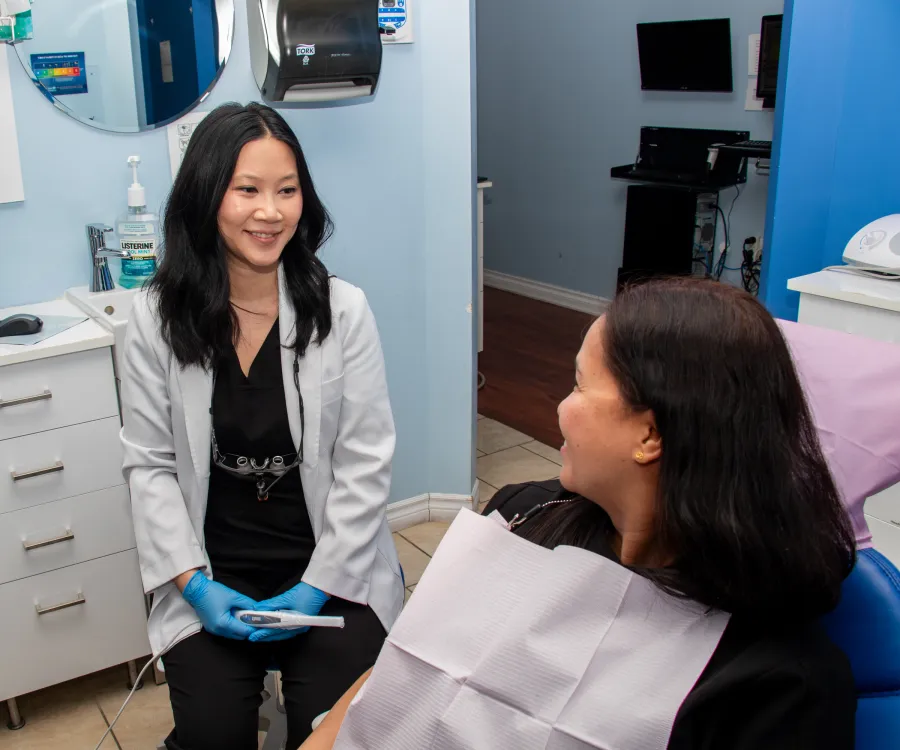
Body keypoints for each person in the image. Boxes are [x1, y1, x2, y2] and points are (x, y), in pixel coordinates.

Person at [299, 278, 857, 750]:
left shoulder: (780, 685)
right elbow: (398, 673)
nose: (560, 407)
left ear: (650, 434)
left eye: (578, 385)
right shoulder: (524, 517)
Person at [119, 102, 404, 750]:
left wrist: (315, 589)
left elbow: (366, 462)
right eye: (247, 189)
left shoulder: (342, 310)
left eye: (287, 190)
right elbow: (150, 464)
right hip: (214, 573)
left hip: (330, 572)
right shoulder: (154, 319)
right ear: (206, 195)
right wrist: (193, 586)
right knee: (212, 735)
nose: (270, 212)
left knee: (338, 734)